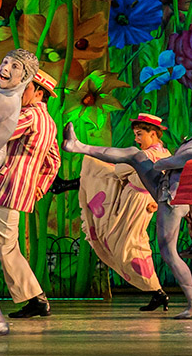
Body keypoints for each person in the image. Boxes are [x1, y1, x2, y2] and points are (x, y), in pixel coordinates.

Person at [61, 109, 192, 319]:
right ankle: (77, 146)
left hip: (172, 200)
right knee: (134, 154)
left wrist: (146, 162)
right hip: (166, 189)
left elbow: (161, 164)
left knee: (169, 253)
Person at [0, 50, 44, 336]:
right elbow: (1, 150)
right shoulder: (15, 107)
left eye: (15, 67)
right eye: (5, 62)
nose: (6, 68)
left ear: (26, 78)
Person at [72, 114, 172, 311]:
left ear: (153, 133)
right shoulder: (163, 155)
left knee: (129, 244)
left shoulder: (152, 156)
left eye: (140, 134)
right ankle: (156, 291)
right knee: (120, 241)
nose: (136, 139)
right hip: (130, 198)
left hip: (137, 202)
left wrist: (156, 202)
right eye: (136, 134)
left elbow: (122, 171)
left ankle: (157, 292)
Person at [0, 69, 60, 319]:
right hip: (19, 188)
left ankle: (36, 297)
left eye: (25, 88)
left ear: (39, 92)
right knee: (5, 242)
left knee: (4, 243)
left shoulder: (29, 115)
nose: (19, 92)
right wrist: (38, 186)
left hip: (10, 187)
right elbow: (54, 160)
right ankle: (34, 297)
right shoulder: (49, 121)